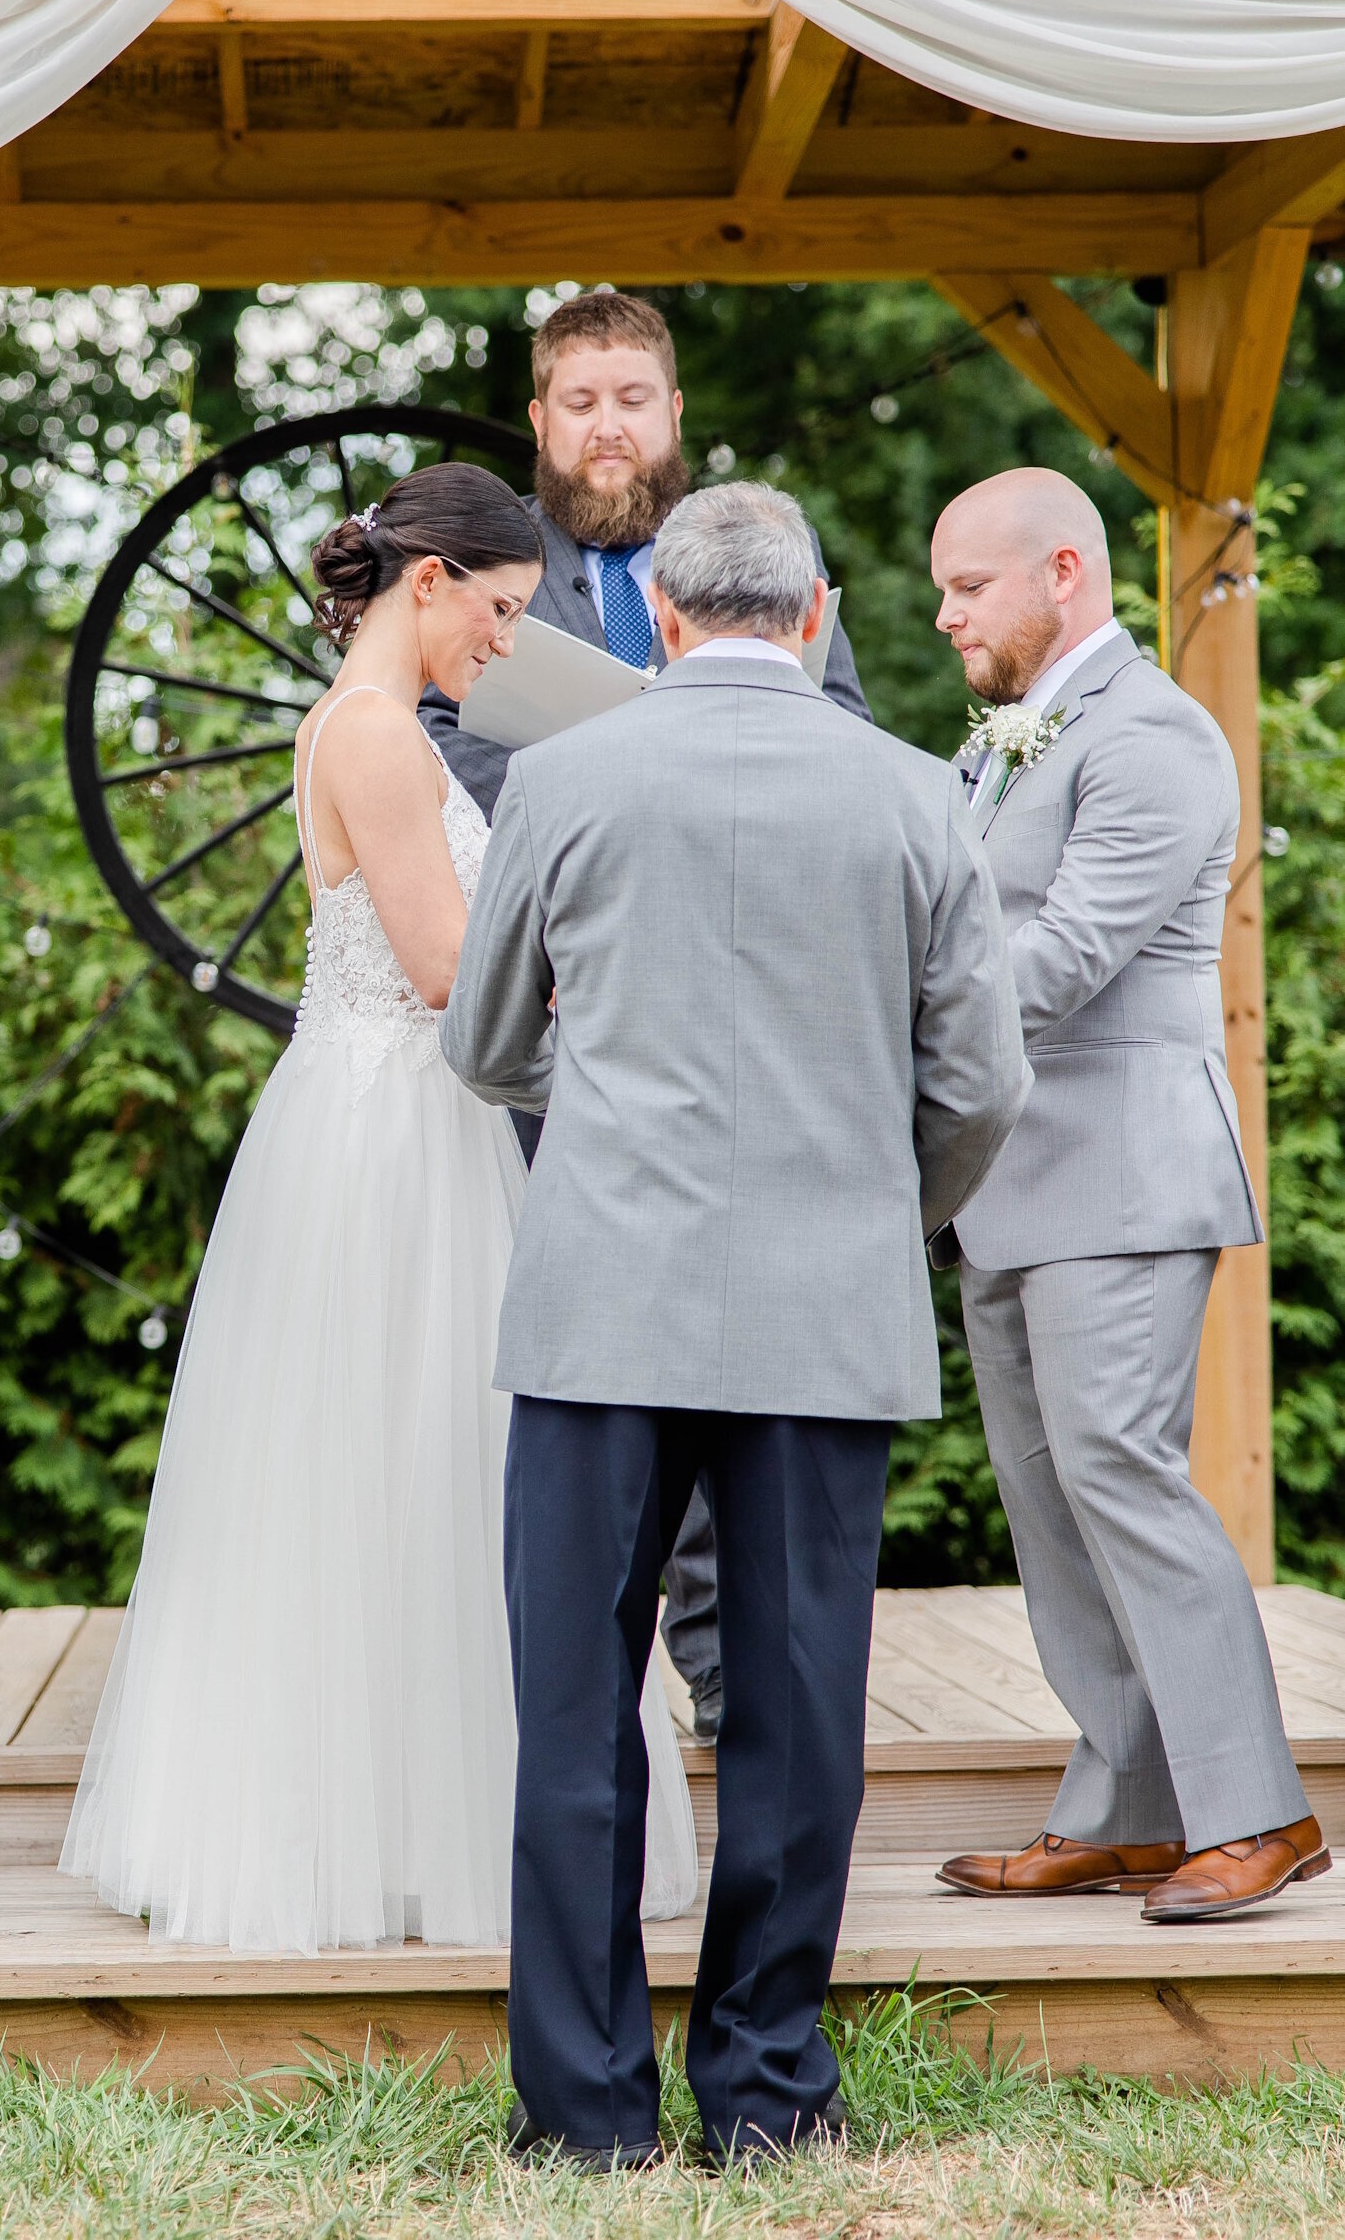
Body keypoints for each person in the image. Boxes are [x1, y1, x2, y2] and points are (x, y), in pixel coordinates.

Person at [442, 481, 1028, 2165]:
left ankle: (584, 2116)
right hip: (823, 1317)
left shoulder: (562, 777)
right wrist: (878, 1206)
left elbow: (484, 1043)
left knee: (576, 1715)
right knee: (795, 1715)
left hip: (598, 1306)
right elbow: (983, 1084)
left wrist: (600, 1101)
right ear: (819, 614)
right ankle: (768, 2090)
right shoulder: (916, 794)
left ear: (667, 618)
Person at [60, 463, 697, 1955]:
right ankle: (396, 1835)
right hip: (396, 1136)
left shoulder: (365, 721)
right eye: (500, 611)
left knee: (424, 1463)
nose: (505, 642)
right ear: (431, 583)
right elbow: (447, 972)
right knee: (405, 1456)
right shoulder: (377, 737)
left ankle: (421, 1819)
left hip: (401, 1119)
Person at [432, 289, 872, 1747]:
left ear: (673, 412)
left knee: (744, 1357)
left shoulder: (762, 553)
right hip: (576, 1013)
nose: (607, 427)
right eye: (580, 403)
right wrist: (601, 822)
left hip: (753, 1027)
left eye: (632, 399)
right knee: (605, 1374)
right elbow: (443, 739)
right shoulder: (495, 569)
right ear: (540, 420)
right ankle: (594, 1694)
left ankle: (735, 1683)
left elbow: (843, 742)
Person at [929, 466, 1325, 1923]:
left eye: (970, 585)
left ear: (1065, 572)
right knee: (1050, 1503)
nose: (947, 614)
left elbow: (1063, 959)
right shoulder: (994, 747)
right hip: (1006, 1181)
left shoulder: (1154, 734)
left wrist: (880, 1037)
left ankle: (1259, 1812)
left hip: (1119, 1176)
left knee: (1123, 1477)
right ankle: (1130, 1811)